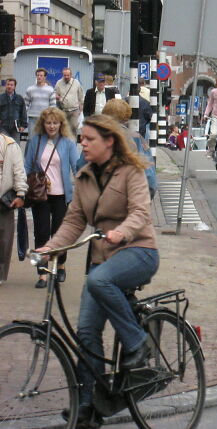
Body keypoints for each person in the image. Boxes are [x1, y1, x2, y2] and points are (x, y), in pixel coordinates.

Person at [35, 114, 158, 427]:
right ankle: (90, 407)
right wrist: (50, 247)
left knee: (99, 281)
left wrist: (123, 232)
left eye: (89, 139)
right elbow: (75, 220)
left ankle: (137, 344)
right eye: (82, 139)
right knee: (87, 331)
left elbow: (141, 212)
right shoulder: (84, 175)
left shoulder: (131, 171)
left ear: (109, 141)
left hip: (138, 251)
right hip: (103, 258)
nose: (83, 144)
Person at [24, 107, 79, 288]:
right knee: (41, 232)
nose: (52, 126)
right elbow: (27, 166)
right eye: (48, 123)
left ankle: (60, 265)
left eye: (55, 123)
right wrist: (22, 188)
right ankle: (42, 274)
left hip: (61, 195)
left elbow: (76, 167)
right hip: (40, 195)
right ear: (43, 124)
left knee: (59, 233)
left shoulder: (68, 143)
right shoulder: (35, 141)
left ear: (61, 124)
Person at [78, 99, 157, 199]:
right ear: (126, 118)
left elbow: (81, 166)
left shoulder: (94, 137)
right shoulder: (137, 139)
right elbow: (149, 175)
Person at [0, 132, 27, 285]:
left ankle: (1, 274)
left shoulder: (10, 145)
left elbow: (19, 171)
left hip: (4, 200)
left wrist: (21, 194)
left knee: (4, 240)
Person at [24, 68, 56, 140]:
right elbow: (25, 104)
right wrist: (24, 117)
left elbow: (53, 105)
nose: (39, 77)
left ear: (45, 77)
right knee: (32, 139)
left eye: (41, 75)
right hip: (32, 118)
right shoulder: (30, 89)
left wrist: (50, 117)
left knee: (44, 138)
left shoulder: (50, 89)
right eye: (37, 75)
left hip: (45, 118)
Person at [54, 67, 85, 138]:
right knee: (62, 129)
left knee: (73, 128)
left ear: (71, 75)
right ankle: (63, 145)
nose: (66, 77)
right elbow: (55, 92)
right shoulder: (59, 83)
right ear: (63, 75)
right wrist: (56, 96)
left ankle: (73, 145)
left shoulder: (76, 83)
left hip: (74, 110)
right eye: (65, 75)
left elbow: (81, 95)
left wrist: (81, 107)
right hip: (63, 110)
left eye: (68, 75)